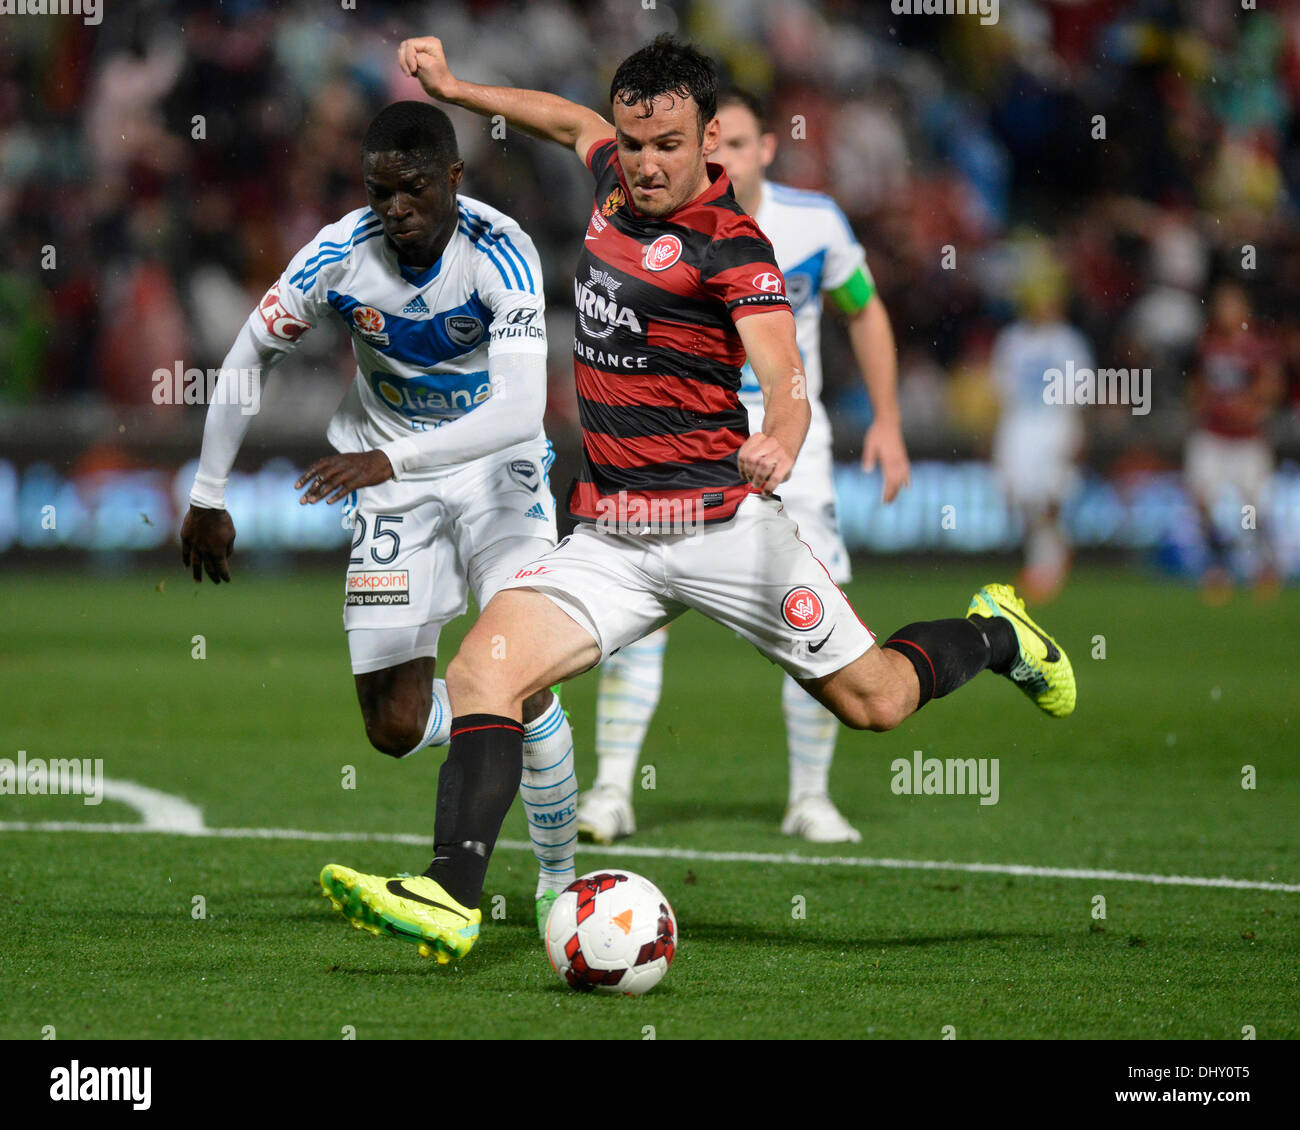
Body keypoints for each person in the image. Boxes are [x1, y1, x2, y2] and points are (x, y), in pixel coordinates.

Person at [321, 36, 1076, 965]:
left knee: (875, 702)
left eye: (667, 145)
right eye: (634, 143)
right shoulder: (610, 176)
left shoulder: (734, 245)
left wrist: (782, 441)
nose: (644, 162)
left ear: (709, 137)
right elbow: (565, 119)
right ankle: (450, 896)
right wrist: (451, 87)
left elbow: (786, 378)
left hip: (722, 527)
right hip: (613, 537)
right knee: (486, 672)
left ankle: (998, 634)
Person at [181, 102, 580, 936]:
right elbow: (251, 351)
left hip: (495, 476)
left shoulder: (501, 252)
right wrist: (209, 492)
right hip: (392, 484)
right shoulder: (339, 255)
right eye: (379, 191)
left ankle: (558, 882)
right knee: (393, 728)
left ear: (454, 181)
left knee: (512, 663)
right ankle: (510, 711)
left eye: (414, 189)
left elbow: (517, 409)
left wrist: (394, 458)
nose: (395, 207)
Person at [577, 88, 911, 846]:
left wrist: (887, 421)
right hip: (682, 436)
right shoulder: (654, 220)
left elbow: (863, 308)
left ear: (761, 147)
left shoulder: (814, 224)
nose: (717, 156)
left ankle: (810, 797)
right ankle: (611, 790)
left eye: (733, 143)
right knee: (637, 614)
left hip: (795, 443)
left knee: (814, 622)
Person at [990, 252, 1091, 603]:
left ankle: (1045, 565)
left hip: (1054, 422)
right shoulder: (1012, 340)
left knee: (1049, 495)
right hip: (1020, 424)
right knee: (1021, 495)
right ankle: (1054, 553)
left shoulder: (1068, 342)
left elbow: (1079, 393)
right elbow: (1003, 390)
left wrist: (1074, 433)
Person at [1184, 280, 1283, 601]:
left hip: (1246, 439)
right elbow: (1196, 385)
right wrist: (1206, 401)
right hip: (1213, 435)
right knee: (1203, 500)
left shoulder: (1256, 345)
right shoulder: (1207, 344)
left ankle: (1265, 565)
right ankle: (1217, 566)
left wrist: (1248, 406)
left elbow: (1270, 386)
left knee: (1254, 507)